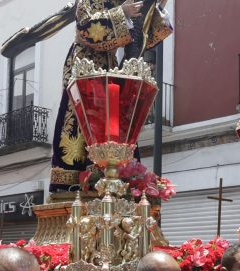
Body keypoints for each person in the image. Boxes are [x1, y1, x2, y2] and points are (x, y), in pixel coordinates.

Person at [48, 0, 172, 191]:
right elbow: (86, 28)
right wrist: (122, 13)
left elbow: (141, 37)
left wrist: (153, 10)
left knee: (113, 126)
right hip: (85, 67)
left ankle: (116, 175)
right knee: (80, 123)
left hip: (109, 71)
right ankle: (77, 182)